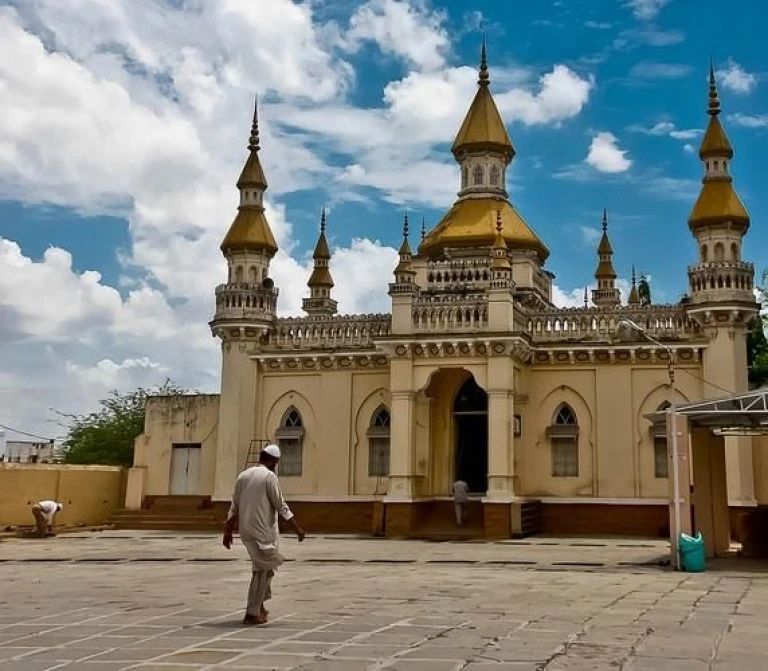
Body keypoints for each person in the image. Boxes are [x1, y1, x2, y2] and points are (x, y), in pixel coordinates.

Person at [223, 444, 305, 626]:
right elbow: (281, 505)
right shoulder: (269, 477)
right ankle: (252, 613)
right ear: (272, 461)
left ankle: (259, 606)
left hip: (246, 531)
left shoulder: (243, 476)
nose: (276, 466)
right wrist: (297, 528)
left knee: (265, 568)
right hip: (263, 533)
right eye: (276, 463)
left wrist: (228, 531)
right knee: (263, 570)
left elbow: (233, 507)